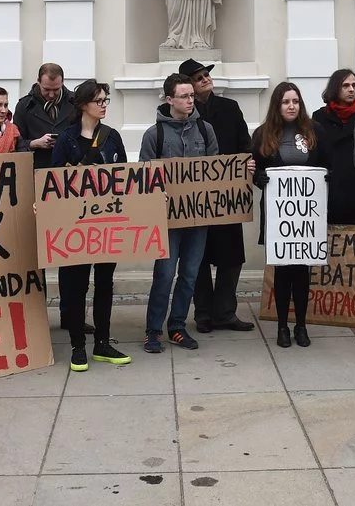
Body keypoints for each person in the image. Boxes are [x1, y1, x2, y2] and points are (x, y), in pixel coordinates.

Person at [51, 79, 132, 372]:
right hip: (75, 227)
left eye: (105, 100)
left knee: (105, 283)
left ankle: (102, 341)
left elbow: (124, 177)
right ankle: (77, 346)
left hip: (106, 223)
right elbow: (54, 182)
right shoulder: (67, 138)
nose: (104, 105)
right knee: (76, 285)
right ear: (83, 104)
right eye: (99, 101)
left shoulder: (112, 138)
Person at [139, 74, 219, 353]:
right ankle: (153, 330)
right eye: (184, 96)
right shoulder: (154, 134)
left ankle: (177, 326)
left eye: (191, 96)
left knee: (190, 274)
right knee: (164, 273)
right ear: (169, 99)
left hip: (198, 219)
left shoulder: (206, 130)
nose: (190, 100)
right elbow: (144, 178)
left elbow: (216, 173)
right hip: (167, 220)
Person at [181, 58, 256, 334]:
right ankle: (203, 313)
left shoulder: (229, 108)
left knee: (232, 256)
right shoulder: (178, 112)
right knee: (197, 258)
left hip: (227, 195)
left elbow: (244, 144)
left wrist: (247, 162)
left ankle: (225, 311)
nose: (205, 80)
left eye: (206, 75)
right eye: (198, 77)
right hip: (194, 200)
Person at [253, 81, 325, 348]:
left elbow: (327, 165)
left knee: (302, 273)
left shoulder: (314, 131)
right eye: (286, 102)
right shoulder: (262, 135)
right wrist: (259, 177)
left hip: (306, 219)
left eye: (295, 101)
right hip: (279, 217)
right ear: (277, 106)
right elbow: (254, 172)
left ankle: (302, 325)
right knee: (282, 273)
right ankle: (283, 325)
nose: (291, 106)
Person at [313, 69, 355, 227]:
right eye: (345, 85)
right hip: (331, 190)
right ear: (335, 88)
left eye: (354, 85)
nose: (351, 89)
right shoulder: (319, 117)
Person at [15, 63, 78, 169]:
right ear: (38, 82)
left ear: (62, 82)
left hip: (70, 169)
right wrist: (34, 143)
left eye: (56, 89)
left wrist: (65, 142)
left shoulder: (76, 103)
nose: (51, 95)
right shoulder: (24, 106)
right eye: (47, 89)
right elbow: (16, 143)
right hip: (37, 170)